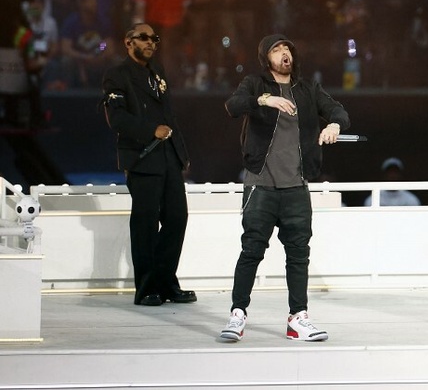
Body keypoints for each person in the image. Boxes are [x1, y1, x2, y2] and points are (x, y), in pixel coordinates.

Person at [220, 34, 350, 343]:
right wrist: (265, 99)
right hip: (261, 184)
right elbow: (233, 105)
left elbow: (338, 111)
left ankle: (298, 318)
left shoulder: (308, 90)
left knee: (298, 254)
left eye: (288, 48)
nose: (284, 53)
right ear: (267, 58)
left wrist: (334, 125)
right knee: (251, 250)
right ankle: (238, 314)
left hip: (296, 185)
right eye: (277, 50)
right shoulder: (255, 84)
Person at [101, 23, 193, 307]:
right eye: (144, 38)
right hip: (142, 157)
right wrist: (150, 130)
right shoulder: (117, 75)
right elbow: (115, 118)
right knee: (145, 224)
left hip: (168, 156)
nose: (151, 42)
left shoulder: (158, 72)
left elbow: (170, 115)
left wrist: (182, 152)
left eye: (155, 38)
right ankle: (146, 288)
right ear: (128, 42)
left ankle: (165, 281)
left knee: (177, 218)